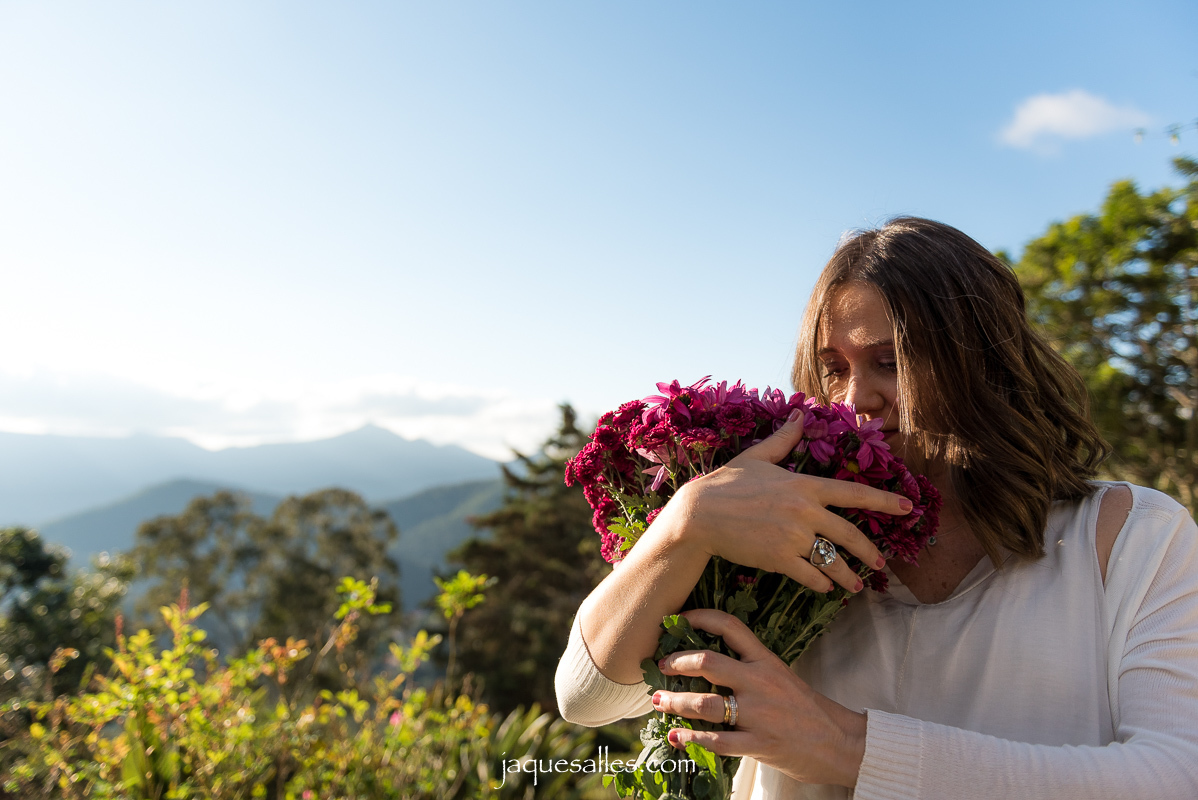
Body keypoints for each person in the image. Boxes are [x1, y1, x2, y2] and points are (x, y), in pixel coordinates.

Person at [554, 217, 1198, 799]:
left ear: (983, 365)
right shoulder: (780, 538)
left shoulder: (1134, 537)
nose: (856, 398)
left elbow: (1174, 777)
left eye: (891, 362)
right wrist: (684, 526)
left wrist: (845, 747)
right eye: (833, 368)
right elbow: (588, 697)